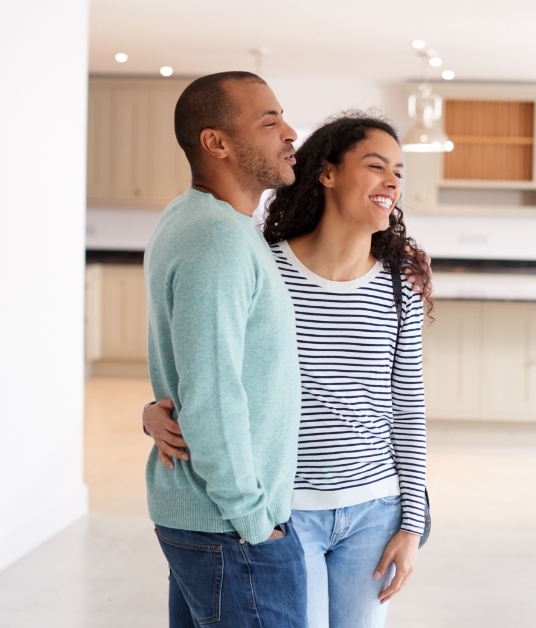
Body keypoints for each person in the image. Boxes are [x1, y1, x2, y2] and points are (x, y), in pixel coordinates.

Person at [145, 111, 430, 628]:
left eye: (399, 171)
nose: (392, 181)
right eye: (375, 165)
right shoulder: (263, 264)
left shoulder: (398, 288)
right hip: (284, 508)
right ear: (327, 173)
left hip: (373, 508)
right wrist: (153, 410)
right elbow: (207, 361)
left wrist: (413, 525)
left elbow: (407, 410)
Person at [144, 71, 307, 627]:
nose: (290, 133)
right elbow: (212, 391)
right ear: (216, 142)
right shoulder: (216, 238)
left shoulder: (200, 221)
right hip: (231, 526)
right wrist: (255, 520)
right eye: (269, 121)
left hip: (210, 521)